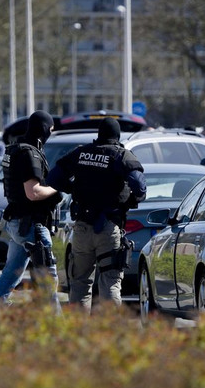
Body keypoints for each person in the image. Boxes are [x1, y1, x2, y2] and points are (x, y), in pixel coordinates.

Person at [47, 117, 146, 314]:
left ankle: (79, 334)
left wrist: (73, 188)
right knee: (110, 281)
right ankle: (109, 332)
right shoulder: (121, 156)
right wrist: (129, 200)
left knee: (80, 282)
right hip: (108, 227)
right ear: (117, 136)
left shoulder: (80, 153)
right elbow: (140, 187)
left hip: (82, 228)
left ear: (98, 134)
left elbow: (53, 178)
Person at [0, 110, 62, 313]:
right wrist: (56, 188)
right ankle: (58, 325)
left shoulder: (15, 149)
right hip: (31, 225)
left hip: (17, 221)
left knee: (11, 274)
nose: (50, 133)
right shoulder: (29, 153)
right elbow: (33, 192)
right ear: (44, 129)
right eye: (50, 130)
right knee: (47, 279)